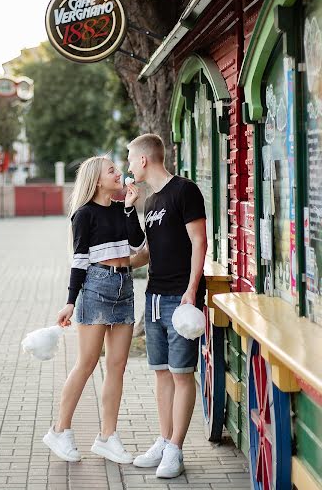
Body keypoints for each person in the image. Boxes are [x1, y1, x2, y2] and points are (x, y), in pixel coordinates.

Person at [43, 155, 145, 464]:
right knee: (86, 363)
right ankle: (59, 431)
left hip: (124, 288)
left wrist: (130, 208)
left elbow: (138, 244)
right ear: (97, 180)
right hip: (95, 288)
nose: (119, 173)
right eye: (111, 170)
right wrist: (70, 301)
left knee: (117, 366)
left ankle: (107, 437)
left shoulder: (121, 209)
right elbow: (79, 261)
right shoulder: (83, 215)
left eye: (117, 168)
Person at [127, 133, 207, 478]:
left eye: (130, 159)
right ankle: (163, 440)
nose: (129, 166)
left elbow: (199, 240)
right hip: (154, 297)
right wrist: (121, 261)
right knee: (161, 372)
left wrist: (192, 290)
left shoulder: (184, 191)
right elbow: (148, 250)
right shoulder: (151, 201)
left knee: (181, 373)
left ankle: (175, 449)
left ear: (143, 160)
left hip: (180, 298)